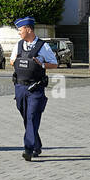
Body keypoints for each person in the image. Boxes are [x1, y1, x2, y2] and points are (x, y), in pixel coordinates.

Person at [11, 16, 57, 161]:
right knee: (26, 118)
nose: (19, 33)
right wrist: (19, 62)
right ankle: (36, 144)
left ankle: (28, 148)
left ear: (28, 29)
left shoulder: (43, 46)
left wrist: (41, 64)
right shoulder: (18, 45)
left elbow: (54, 64)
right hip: (20, 87)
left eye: (20, 30)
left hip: (35, 88)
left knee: (31, 116)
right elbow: (12, 61)